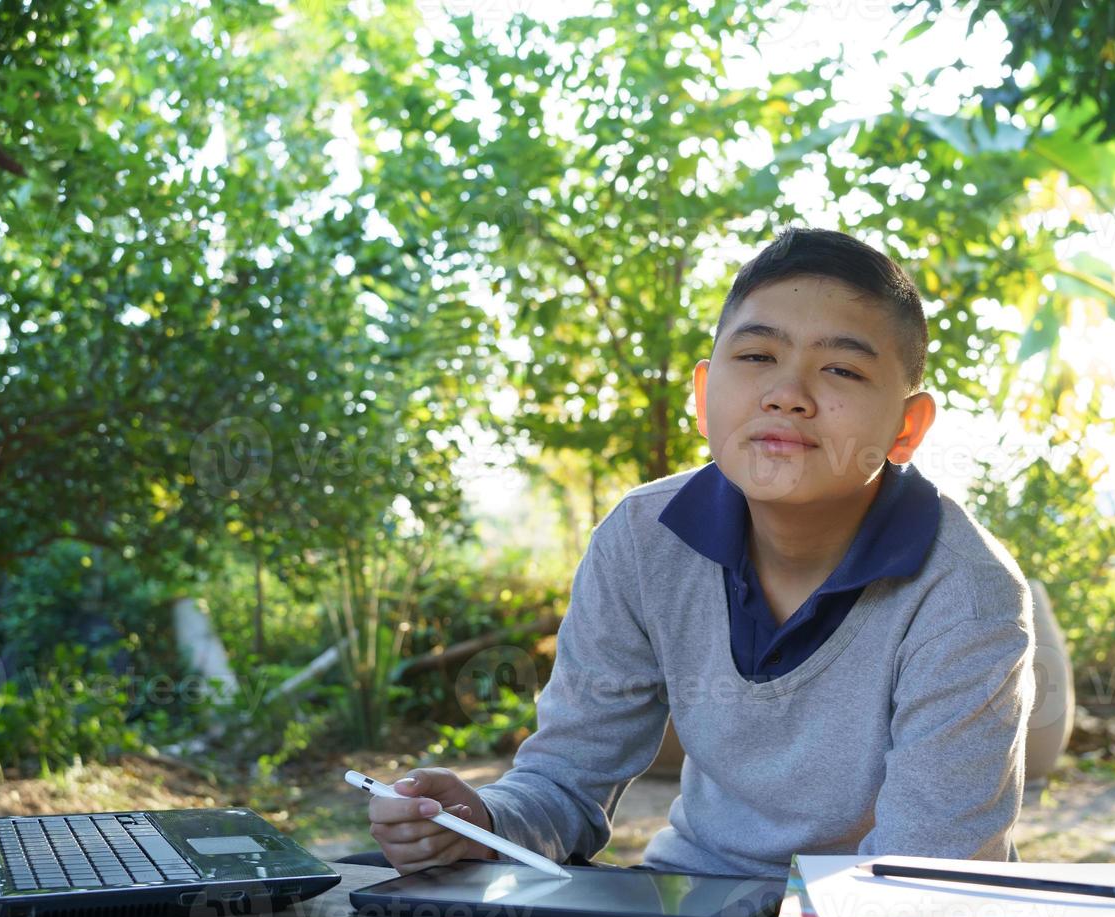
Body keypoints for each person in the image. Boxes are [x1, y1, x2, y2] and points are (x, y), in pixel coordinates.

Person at [345, 227, 1035, 877]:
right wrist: (479, 819)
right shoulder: (644, 541)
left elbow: (924, 879)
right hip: (688, 912)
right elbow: (565, 782)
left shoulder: (966, 593)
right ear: (706, 398)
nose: (787, 395)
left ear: (907, 427)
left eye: (841, 370)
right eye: (758, 356)